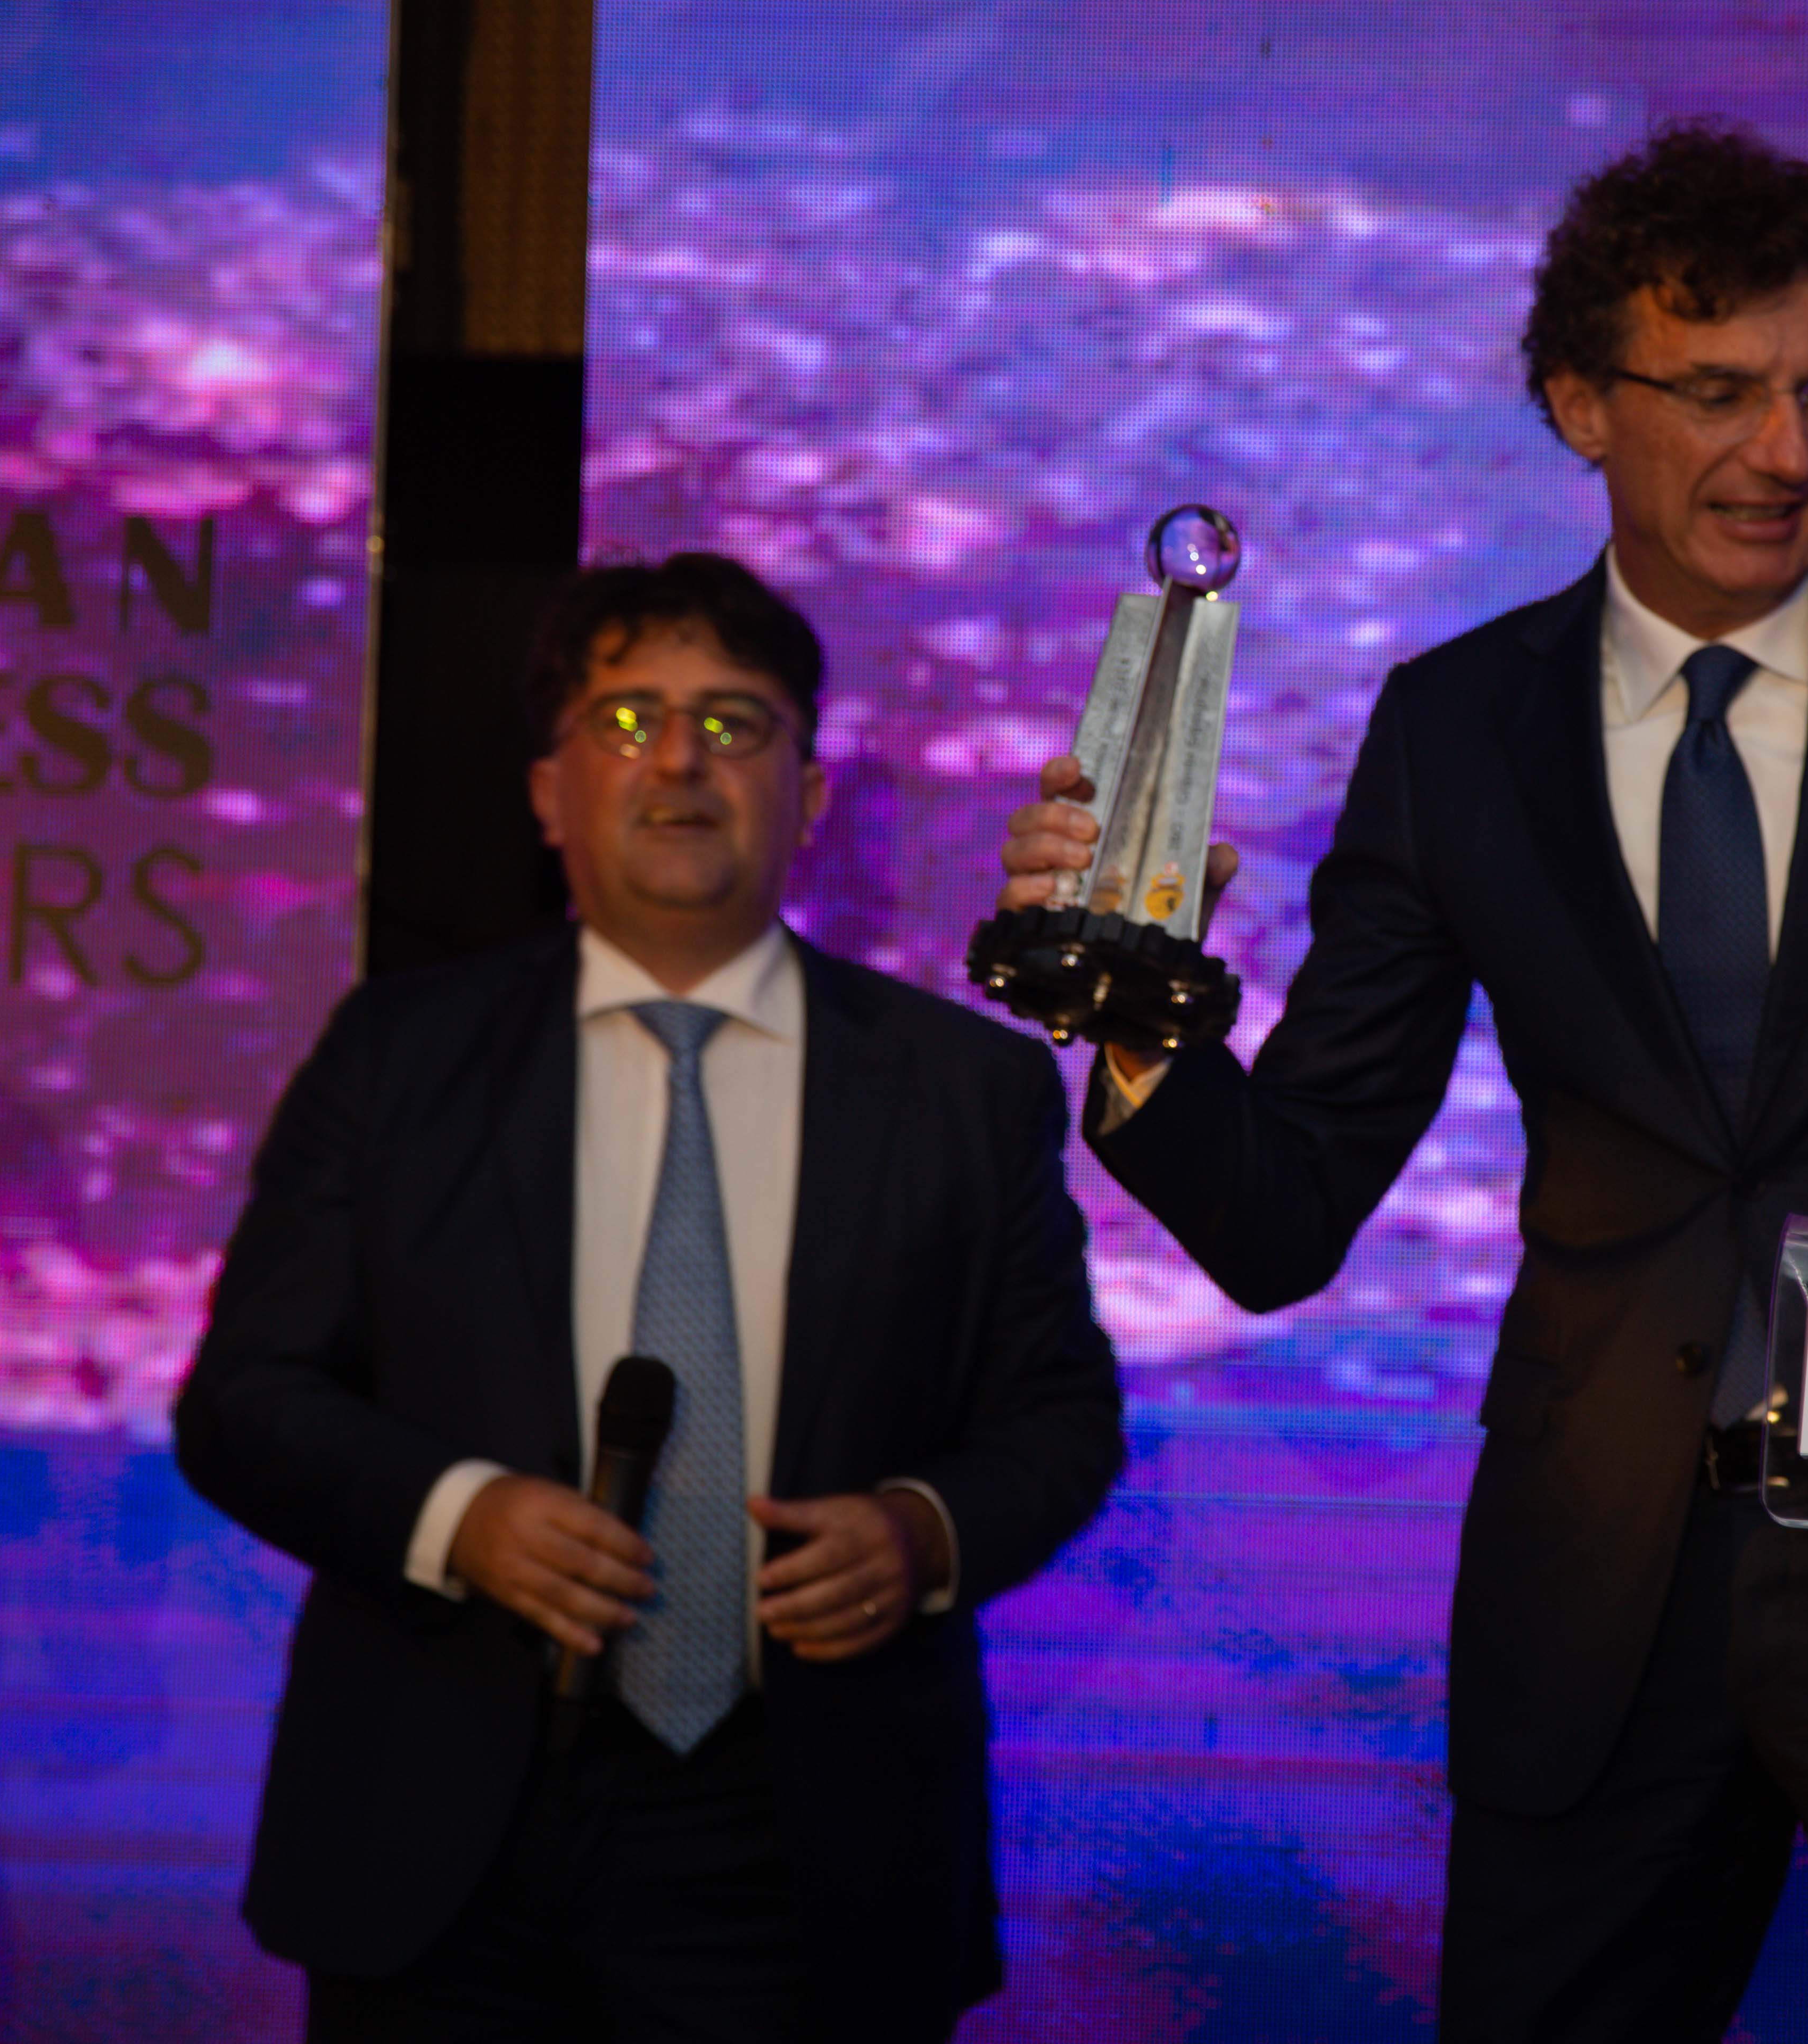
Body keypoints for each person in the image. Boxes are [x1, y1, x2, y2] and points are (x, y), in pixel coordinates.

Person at [995, 122, 1808, 2044]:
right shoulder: (1457, 727)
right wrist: (1137, 1014)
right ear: (1581, 405)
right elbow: (1288, 1206)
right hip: (1596, 1592)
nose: (1786, 452)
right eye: (1719, 392)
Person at [179, 551, 1124, 2041]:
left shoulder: (965, 1089)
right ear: (548, 793)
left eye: (733, 723)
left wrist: (920, 1534)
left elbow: (1061, 1421)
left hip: (806, 1842)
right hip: (436, 1829)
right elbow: (243, 1402)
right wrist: (461, 1517)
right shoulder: (399, 1057)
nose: (680, 759)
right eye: (627, 721)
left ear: (811, 796)